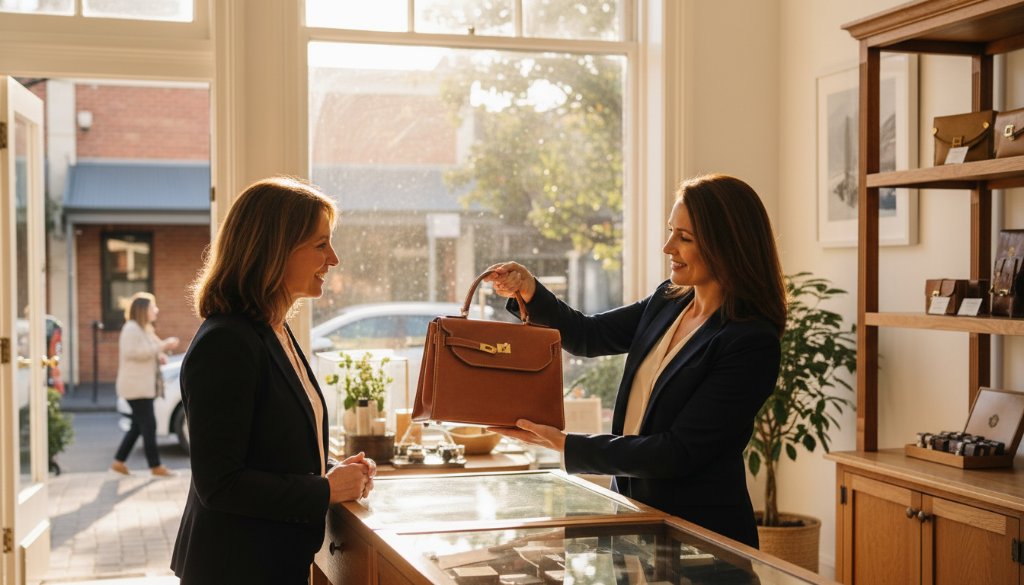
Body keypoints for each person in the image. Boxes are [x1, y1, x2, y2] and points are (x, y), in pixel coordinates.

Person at [485, 174, 786, 548]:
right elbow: (588, 335)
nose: (667, 247)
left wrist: (566, 445)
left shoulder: (750, 343)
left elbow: (678, 452)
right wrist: (530, 289)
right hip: (632, 519)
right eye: (670, 231)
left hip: (700, 539)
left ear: (727, 246)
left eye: (684, 238)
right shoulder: (668, 301)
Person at [171, 177, 376, 584]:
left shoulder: (274, 329)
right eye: (321, 245)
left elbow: (268, 447)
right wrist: (325, 490)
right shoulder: (227, 342)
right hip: (235, 568)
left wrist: (330, 470)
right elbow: (220, 483)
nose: (333, 259)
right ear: (274, 250)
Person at [111, 292, 179, 477]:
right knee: (149, 425)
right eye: (152, 307)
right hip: (136, 388)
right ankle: (156, 466)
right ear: (143, 310)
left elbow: (149, 350)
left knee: (138, 426)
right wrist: (163, 346)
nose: (156, 310)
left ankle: (119, 462)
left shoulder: (144, 329)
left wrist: (161, 354)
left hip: (141, 387)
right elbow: (135, 352)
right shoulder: (131, 328)